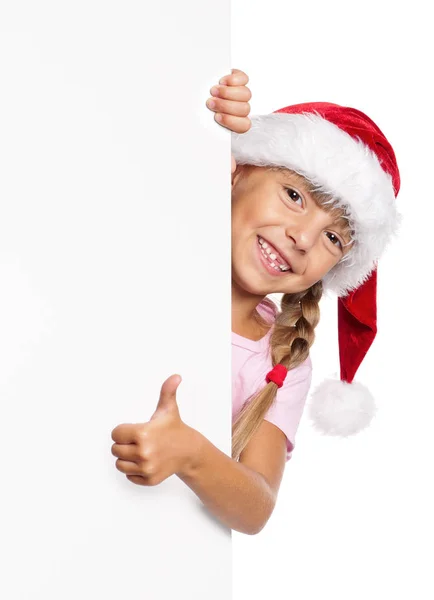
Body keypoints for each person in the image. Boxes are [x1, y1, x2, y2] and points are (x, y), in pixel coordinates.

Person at [111, 69, 401, 535]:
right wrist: (207, 131)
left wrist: (191, 452)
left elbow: (256, 508)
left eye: (332, 238)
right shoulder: (160, 244)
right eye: (294, 195)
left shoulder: (281, 362)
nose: (303, 238)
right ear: (238, 171)